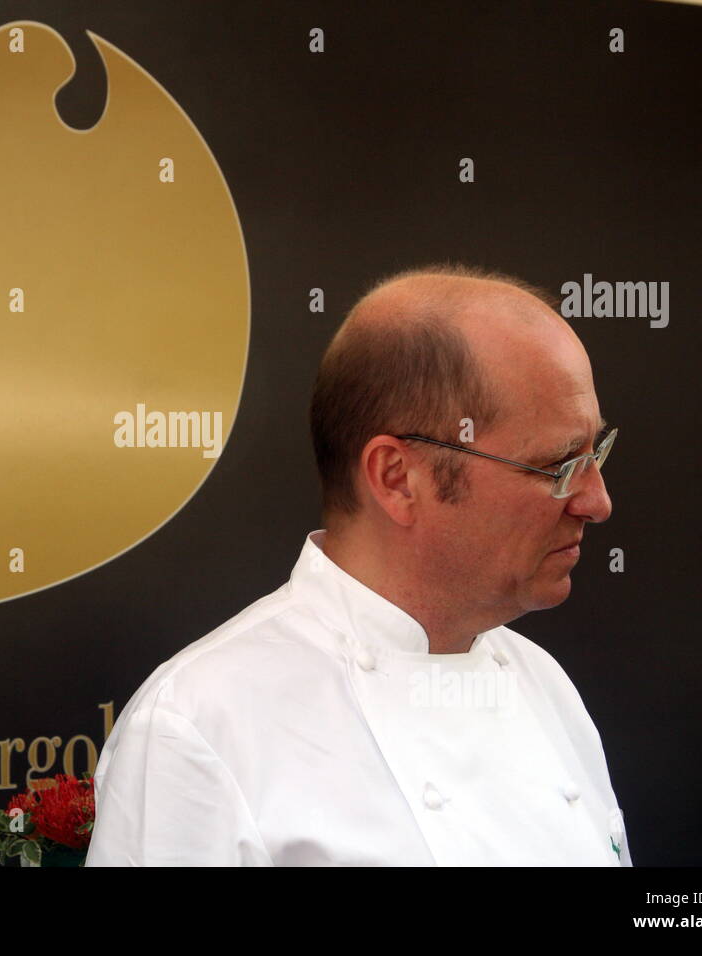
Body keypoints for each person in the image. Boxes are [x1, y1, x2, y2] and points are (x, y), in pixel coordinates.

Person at [85, 263, 632, 866]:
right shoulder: (198, 729)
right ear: (398, 478)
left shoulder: (543, 683)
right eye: (558, 466)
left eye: (596, 451)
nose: (596, 501)